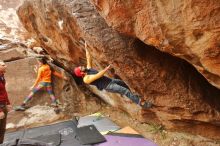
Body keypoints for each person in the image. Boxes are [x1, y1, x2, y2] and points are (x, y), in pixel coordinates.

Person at [73, 42, 152, 109]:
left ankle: (132, 95)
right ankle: (141, 104)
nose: (81, 66)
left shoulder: (88, 69)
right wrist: (106, 69)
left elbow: (88, 58)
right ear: (81, 73)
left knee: (122, 83)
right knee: (125, 91)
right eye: (80, 68)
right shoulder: (86, 79)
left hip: (110, 81)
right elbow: (97, 76)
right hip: (108, 86)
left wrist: (86, 48)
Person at [0, 60, 12, 144]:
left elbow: (4, 90)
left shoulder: (2, 76)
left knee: (2, 128)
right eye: (3, 65)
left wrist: (8, 103)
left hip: (3, 105)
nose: (6, 66)